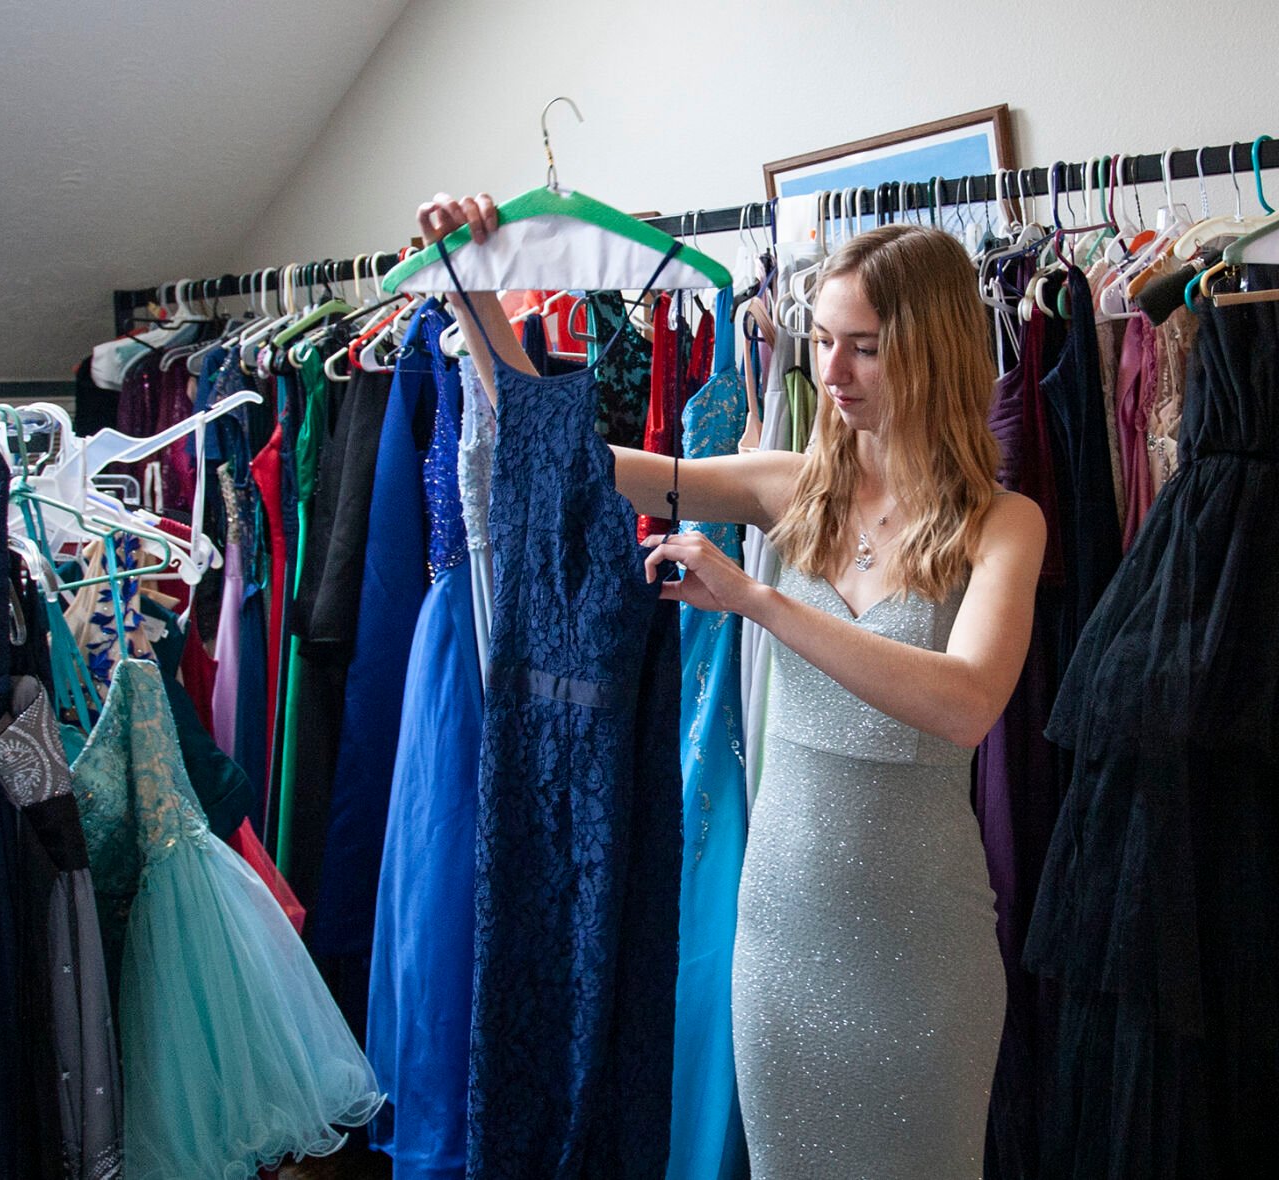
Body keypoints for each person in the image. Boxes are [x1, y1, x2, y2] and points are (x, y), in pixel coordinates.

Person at [419, 192, 1045, 1177]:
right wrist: (478, 295)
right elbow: (561, 457)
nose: (828, 371)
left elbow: (965, 699)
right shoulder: (784, 483)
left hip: (922, 958)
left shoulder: (1004, 523)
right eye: (823, 340)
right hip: (782, 944)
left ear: (933, 353)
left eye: (864, 347)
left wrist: (758, 601)